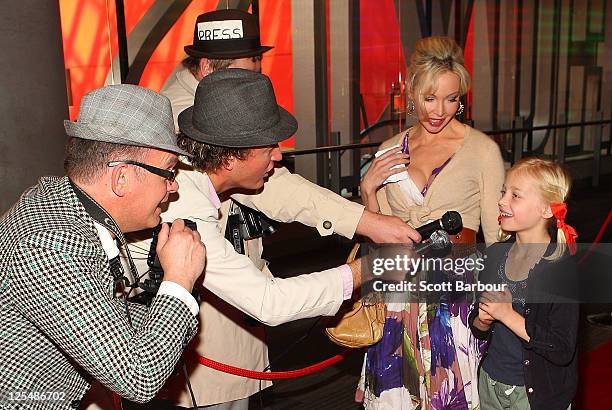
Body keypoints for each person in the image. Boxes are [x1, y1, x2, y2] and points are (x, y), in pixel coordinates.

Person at [142, 10, 422, 409]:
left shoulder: (208, 151)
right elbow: (270, 300)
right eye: (247, 68)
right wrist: (369, 263)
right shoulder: (185, 194)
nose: (279, 157)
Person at [0, 85, 206, 408]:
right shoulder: (50, 247)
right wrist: (179, 279)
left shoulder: (61, 205)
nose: (174, 184)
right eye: (168, 171)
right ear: (121, 178)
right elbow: (139, 377)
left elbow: (108, 321)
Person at [356, 36, 505, 409]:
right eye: (430, 98)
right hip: (397, 293)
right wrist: (368, 190)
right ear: (411, 93)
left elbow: (498, 237)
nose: (440, 111)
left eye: (451, 99)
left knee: (450, 396)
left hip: (454, 296)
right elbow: (381, 234)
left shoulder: (482, 151)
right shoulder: (389, 150)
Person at [469, 157, 579, 410]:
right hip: (489, 384)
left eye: (515, 195)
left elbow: (561, 348)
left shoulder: (560, 270)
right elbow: (477, 324)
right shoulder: (495, 255)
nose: (501, 201)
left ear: (546, 209)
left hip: (534, 396)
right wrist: (482, 320)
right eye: (503, 192)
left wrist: (507, 315)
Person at [162, 9, 269, 130]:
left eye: (256, 76)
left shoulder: (217, 103)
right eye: (242, 77)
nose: (253, 86)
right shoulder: (180, 122)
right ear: (207, 67)